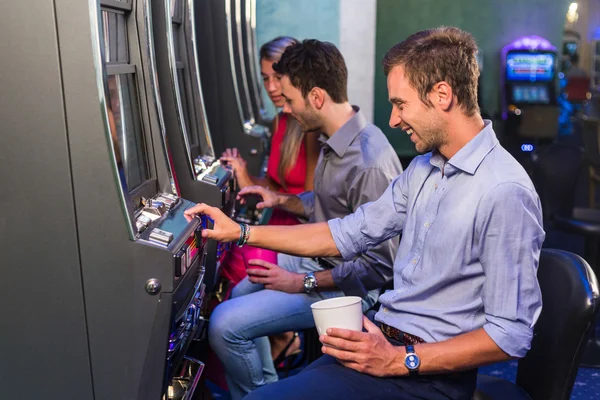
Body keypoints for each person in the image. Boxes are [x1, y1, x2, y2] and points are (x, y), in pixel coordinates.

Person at [186, 27, 545, 400]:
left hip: (426, 376)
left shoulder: (504, 190)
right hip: (382, 339)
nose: (392, 120)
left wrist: (398, 360)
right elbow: (345, 232)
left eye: (400, 104)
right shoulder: (423, 168)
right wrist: (241, 232)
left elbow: (510, 334)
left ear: (442, 95)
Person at [200, 39, 403, 400]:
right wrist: (281, 199)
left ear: (317, 97)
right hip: (320, 261)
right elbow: (328, 203)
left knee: (224, 324)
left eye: (292, 100)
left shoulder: (369, 162)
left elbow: (380, 267)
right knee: (239, 287)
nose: (288, 109)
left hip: (350, 289)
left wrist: (302, 281)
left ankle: (262, 395)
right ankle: (267, 389)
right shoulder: (334, 138)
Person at [217, 37, 321, 363]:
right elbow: (275, 185)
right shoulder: (280, 121)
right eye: (265, 78)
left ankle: (279, 342)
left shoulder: (310, 127)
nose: (272, 87)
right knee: (232, 261)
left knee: (242, 266)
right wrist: (243, 175)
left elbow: (310, 200)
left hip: (301, 232)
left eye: (277, 77)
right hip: (276, 224)